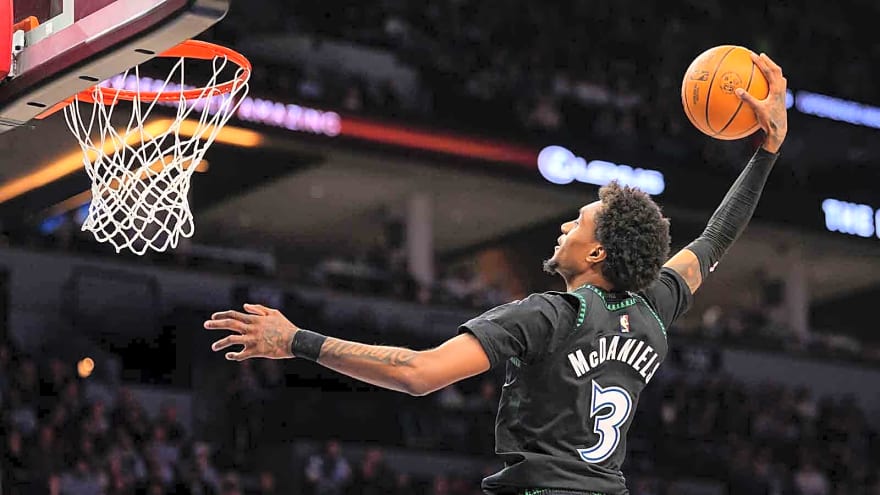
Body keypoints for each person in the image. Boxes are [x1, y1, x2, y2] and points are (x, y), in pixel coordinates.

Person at [206, 52, 788, 495]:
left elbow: (418, 373)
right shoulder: (652, 306)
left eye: (580, 223)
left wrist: (297, 340)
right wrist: (767, 151)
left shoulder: (548, 316)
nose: (566, 226)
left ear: (597, 254)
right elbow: (714, 240)